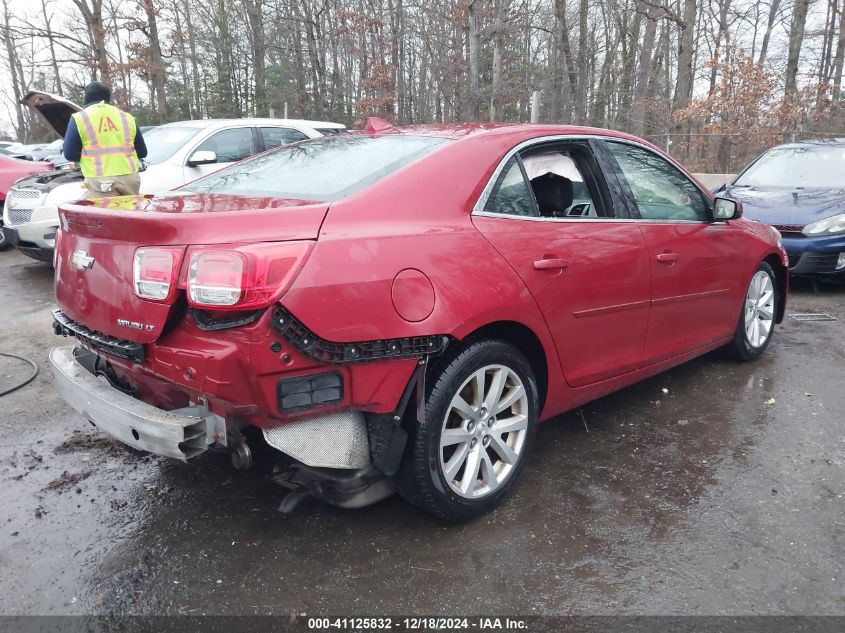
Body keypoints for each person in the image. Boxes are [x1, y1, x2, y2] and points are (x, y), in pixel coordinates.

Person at [63, 81, 148, 198]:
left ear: (86, 99)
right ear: (108, 98)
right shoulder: (126, 117)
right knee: (130, 213)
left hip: (100, 180)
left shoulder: (80, 118)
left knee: (107, 214)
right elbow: (142, 152)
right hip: (129, 178)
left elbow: (70, 154)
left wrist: (88, 158)